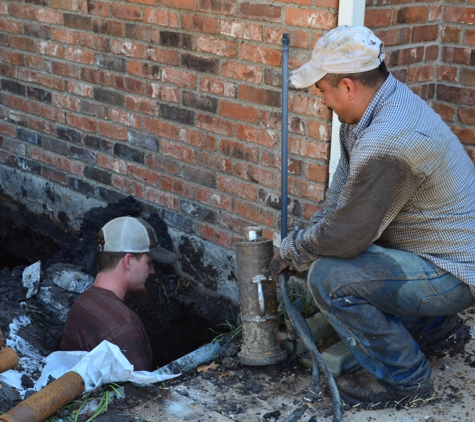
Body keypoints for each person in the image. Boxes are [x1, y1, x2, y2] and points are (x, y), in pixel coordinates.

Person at [270, 25, 475, 409]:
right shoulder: (377, 109)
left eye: (323, 92)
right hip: (445, 255)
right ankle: (437, 331)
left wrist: (298, 251)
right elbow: (342, 200)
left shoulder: (388, 137)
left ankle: (404, 379)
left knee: (331, 278)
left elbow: (349, 233)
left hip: (455, 272)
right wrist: (306, 241)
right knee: (341, 256)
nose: (323, 102)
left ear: (347, 87)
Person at [61, 216, 176, 371]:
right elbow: (143, 393)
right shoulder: (125, 328)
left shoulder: (81, 304)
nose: (152, 271)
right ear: (128, 261)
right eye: (148, 263)